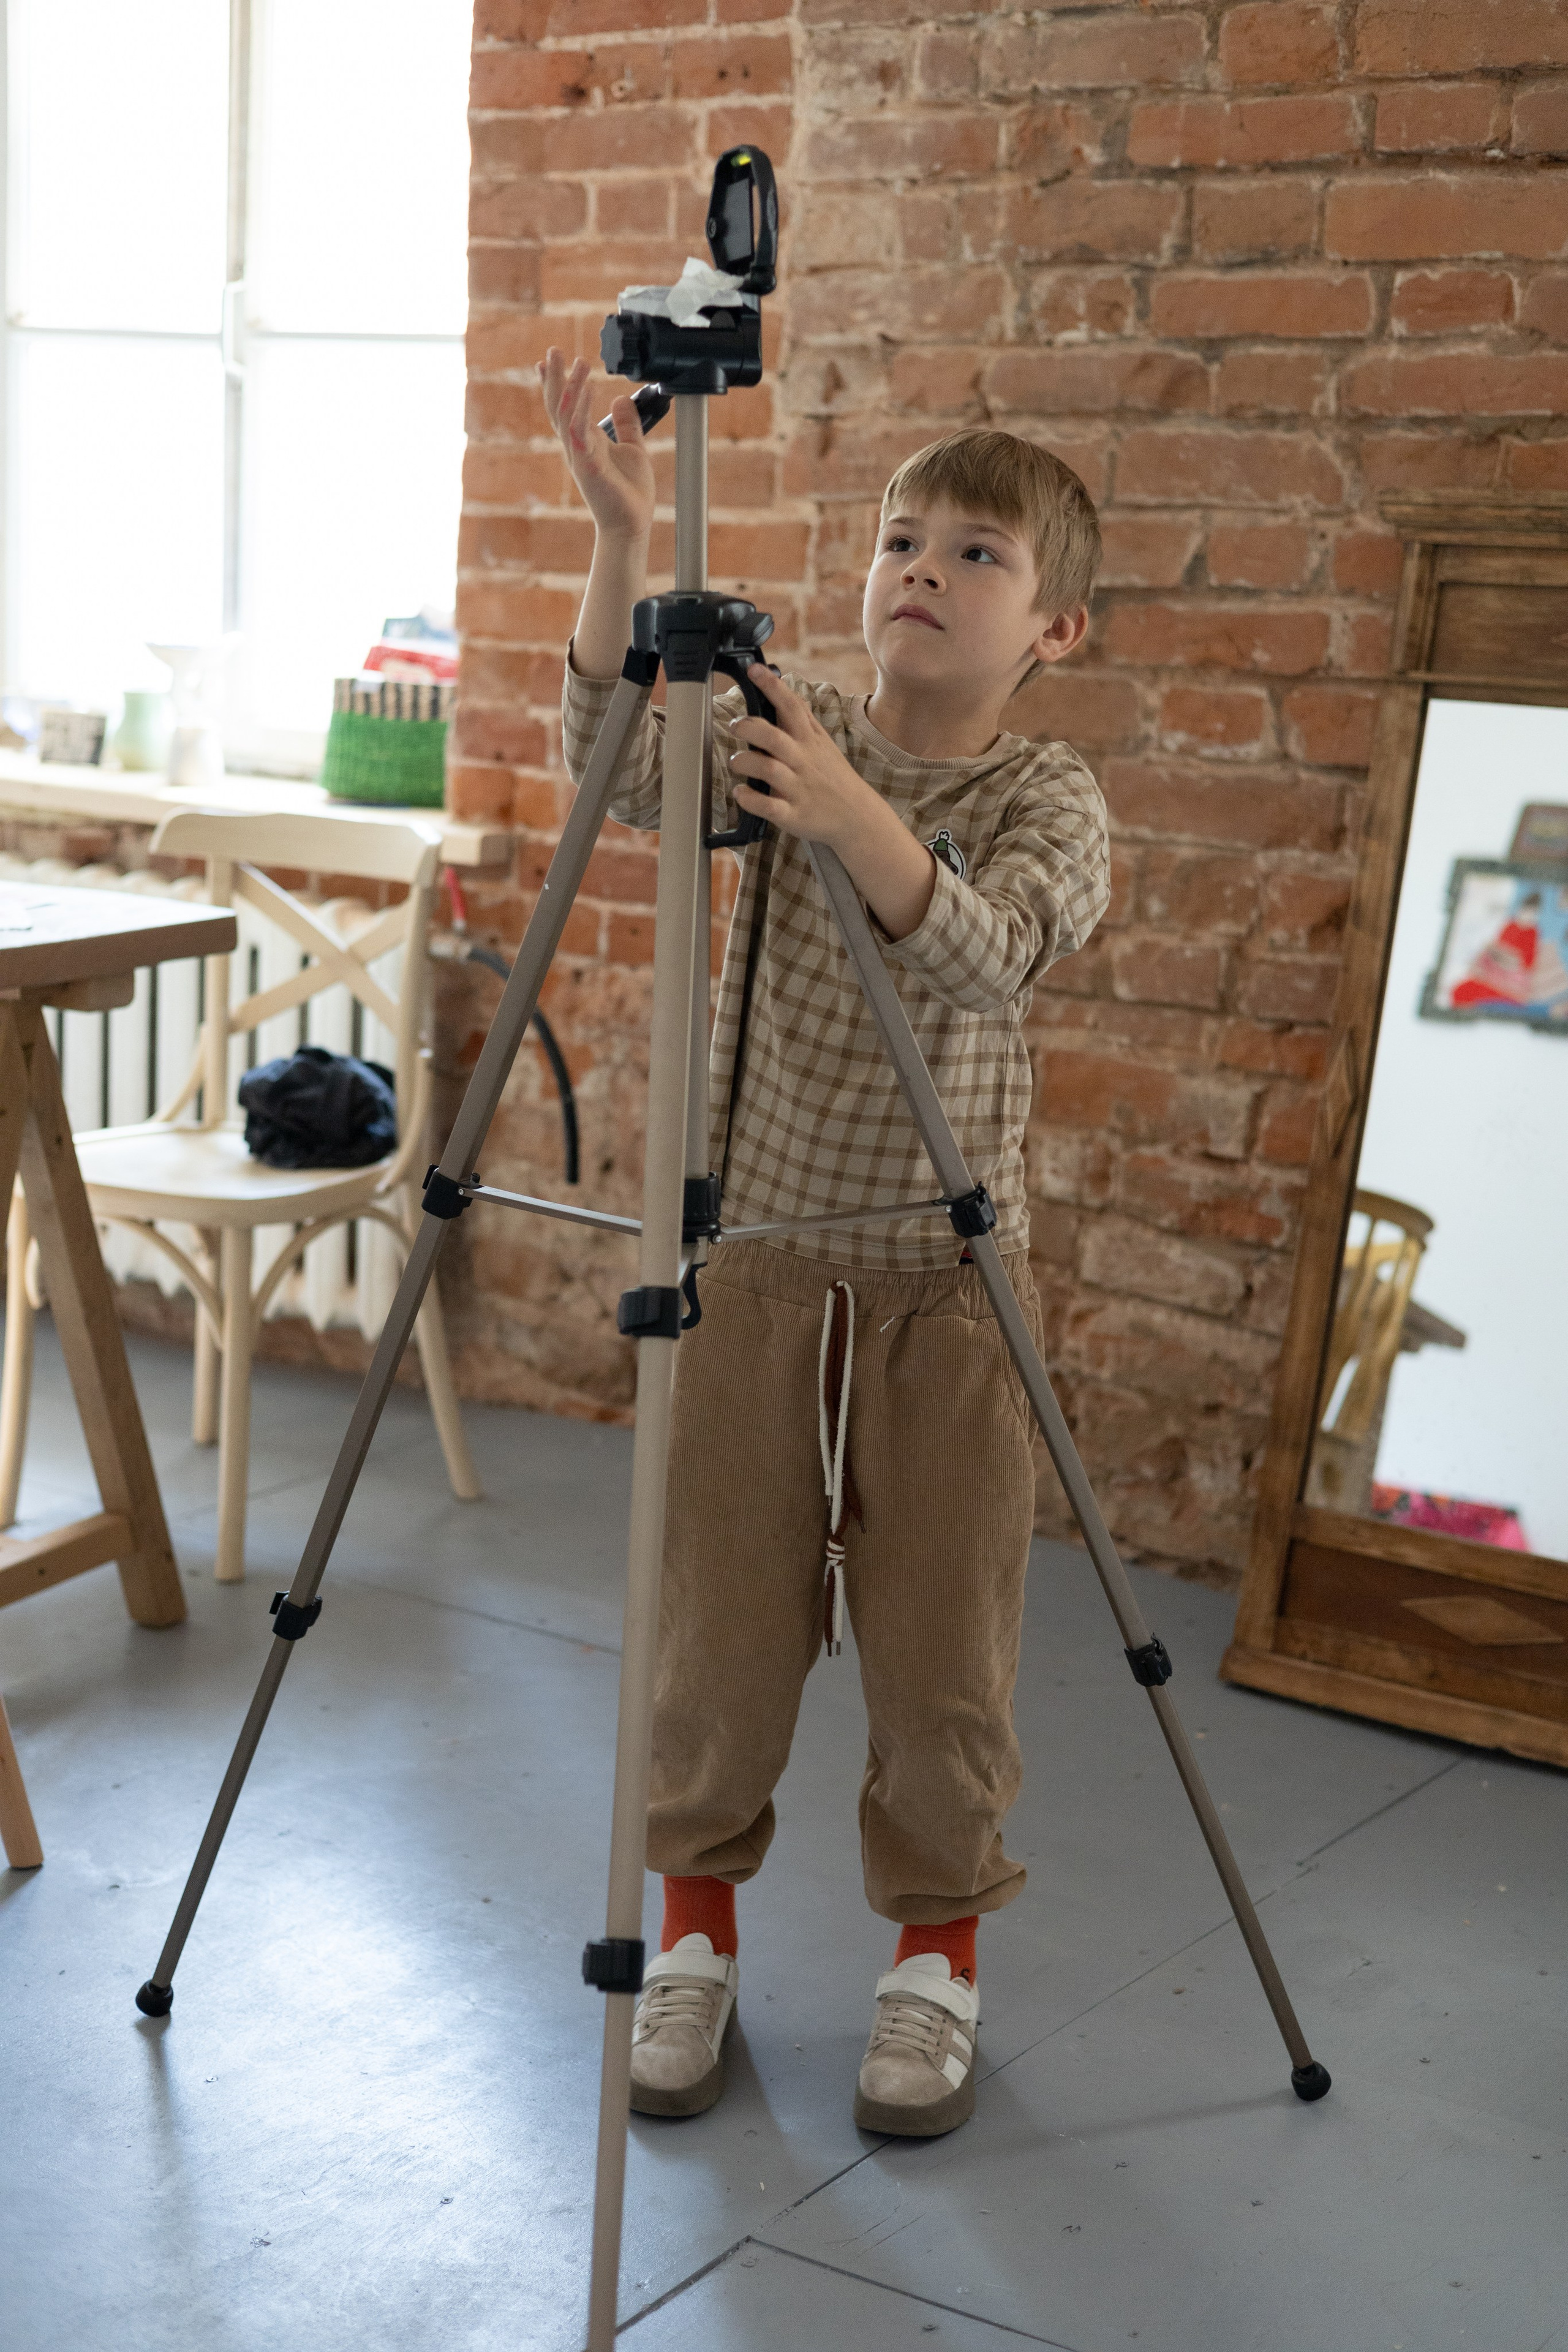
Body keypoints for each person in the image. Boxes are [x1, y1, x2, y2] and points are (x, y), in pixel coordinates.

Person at [541, 349, 1110, 2139]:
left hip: (950, 1290)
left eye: (979, 554)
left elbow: (985, 950)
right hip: (762, 1259)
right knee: (722, 1622)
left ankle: (933, 1962)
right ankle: (692, 1937)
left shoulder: (1047, 801)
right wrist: (623, 545)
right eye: (900, 539)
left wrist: (839, 796)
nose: (923, 568)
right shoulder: (804, 742)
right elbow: (620, 774)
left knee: (945, 1644)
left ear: (1055, 632)